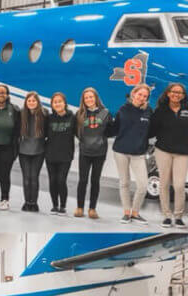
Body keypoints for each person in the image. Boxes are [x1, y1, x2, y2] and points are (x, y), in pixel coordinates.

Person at [151, 83, 188, 228]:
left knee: (179, 185)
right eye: (174, 92)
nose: (176, 94)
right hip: (163, 151)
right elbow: (151, 130)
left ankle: (179, 216)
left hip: (182, 152)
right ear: (168, 93)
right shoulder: (160, 111)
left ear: (183, 95)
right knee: (164, 184)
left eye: (180, 93)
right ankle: (167, 215)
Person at [112, 83, 153, 225]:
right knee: (124, 183)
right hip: (121, 151)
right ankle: (126, 213)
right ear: (134, 93)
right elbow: (115, 129)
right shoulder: (123, 109)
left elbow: (151, 131)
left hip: (138, 153)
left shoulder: (148, 111)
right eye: (140, 94)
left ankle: (135, 213)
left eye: (145, 96)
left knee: (142, 185)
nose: (141, 98)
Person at [75, 87, 112, 219]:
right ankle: (79, 207)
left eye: (91, 97)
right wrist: (85, 142)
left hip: (100, 152)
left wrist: (100, 140)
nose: (89, 100)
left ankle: (92, 209)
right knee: (82, 180)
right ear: (83, 100)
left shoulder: (105, 112)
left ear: (96, 98)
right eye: (86, 98)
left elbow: (110, 131)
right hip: (85, 152)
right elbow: (77, 132)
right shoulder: (79, 114)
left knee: (95, 181)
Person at [45, 92, 75, 215]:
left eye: (60, 101)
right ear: (52, 104)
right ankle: (54, 205)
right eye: (55, 102)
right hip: (50, 154)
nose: (57, 104)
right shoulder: (49, 118)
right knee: (52, 181)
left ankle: (63, 206)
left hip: (65, 155)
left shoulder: (72, 117)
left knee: (61, 180)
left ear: (64, 103)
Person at [18, 91, 47, 213]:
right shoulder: (21, 114)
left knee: (34, 177)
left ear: (37, 102)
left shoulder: (44, 114)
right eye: (29, 101)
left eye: (33, 100)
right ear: (26, 102)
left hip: (38, 151)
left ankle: (34, 202)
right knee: (26, 177)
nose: (31, 103)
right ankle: (26, 202)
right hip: (24, 151)